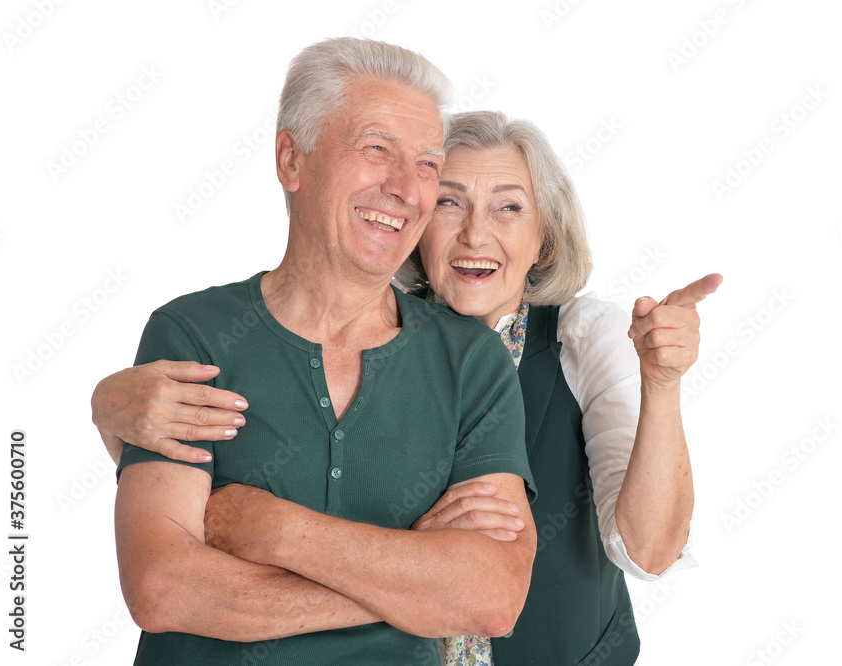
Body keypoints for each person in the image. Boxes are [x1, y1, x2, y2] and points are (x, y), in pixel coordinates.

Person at [95, 110, 719, 664]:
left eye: (508, 206)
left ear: (544, 238)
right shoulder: (353, 330)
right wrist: (105, 410)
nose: (476, 234)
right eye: (449, 201)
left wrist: (661, 386)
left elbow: (647, 551)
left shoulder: (583, 337)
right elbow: (214, 499)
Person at [106, 39, 539, 666]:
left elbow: (492, 597)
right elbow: (163, 589)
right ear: (291, 159)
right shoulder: (193, 336)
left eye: (425, 165)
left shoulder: (471, 362)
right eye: (375, 149)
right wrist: (414, 579)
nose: (404, 189)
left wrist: (282, 533)